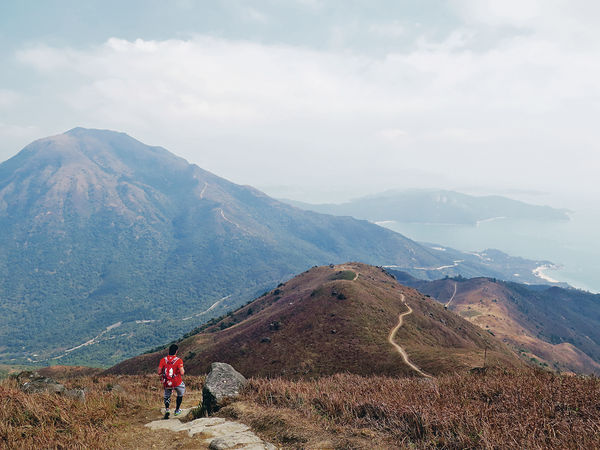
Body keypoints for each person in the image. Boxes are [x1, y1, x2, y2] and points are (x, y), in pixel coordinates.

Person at [158, 343, 185, 419]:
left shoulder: (163, 360)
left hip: (167, 382)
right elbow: (182, 373)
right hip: (177, 381)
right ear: (176, 351)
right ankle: (177, 410)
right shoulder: (179, 360)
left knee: (167, 395)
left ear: (169, 351)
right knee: (180, 394)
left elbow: (159, 372)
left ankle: (167, 409)